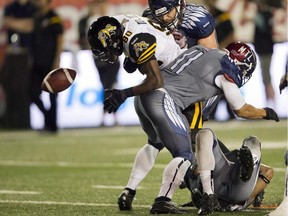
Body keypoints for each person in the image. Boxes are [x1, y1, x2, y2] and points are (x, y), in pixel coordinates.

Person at [87, 15, 279, 213]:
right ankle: (165, 199)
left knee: (156, 144)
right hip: (163, 98)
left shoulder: (201, 51)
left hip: (144, 96)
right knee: (187, 152)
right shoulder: (226, 70)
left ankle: (130, 190)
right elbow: (241, 109)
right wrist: (266, 112)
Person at [5, 0, 64, 133]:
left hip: (50, 62)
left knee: (52, 96)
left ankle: (52, 126)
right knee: (32, 94)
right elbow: (30, 32)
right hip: (37, 62)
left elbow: (60, 39)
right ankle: (48, 118)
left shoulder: (53, 18)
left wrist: (57, 60)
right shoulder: (36, 17)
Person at [191, 129, 273, 215]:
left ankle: (208, 195)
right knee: (253, 140)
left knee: (204, 133)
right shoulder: (239, 159)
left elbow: (194, 173)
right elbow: (268, 171)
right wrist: (245, 203)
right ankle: (252, 159)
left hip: (215, 183)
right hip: (237, 192)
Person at [78, 0, 120, 126]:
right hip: (99, 58)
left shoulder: (113, 18)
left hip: (112, 57)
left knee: (109, 85)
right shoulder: (93, 20)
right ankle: (110, 116)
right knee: (106, 85)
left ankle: (108, 116)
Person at [0, 0, 36, 129]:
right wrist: (23, 24)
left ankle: (23, 123)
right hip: (11, 53)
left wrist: (14, 23)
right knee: (8, 84)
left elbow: (31, 26)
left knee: (22, 88)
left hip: (25, 53)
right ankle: (10, 121)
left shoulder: (32, 7)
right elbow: (7, 22)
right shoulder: (11, 7)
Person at [203, 0, 236, 121]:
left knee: (225, 82)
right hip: (210, 55)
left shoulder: (223, 15)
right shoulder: (205, 16)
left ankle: (231, 112)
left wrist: (220, 47)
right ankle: (211, 112)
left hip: (222, 55)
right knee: (212, 84)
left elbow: (232, 34)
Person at [254, 0, 277, 106]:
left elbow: (265, 30)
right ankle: (269, 101)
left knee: (266, 76)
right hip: (263, 49)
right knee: (265, 76)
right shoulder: (264, 15)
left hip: (266, 49)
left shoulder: (266, 15)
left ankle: (272, 102)